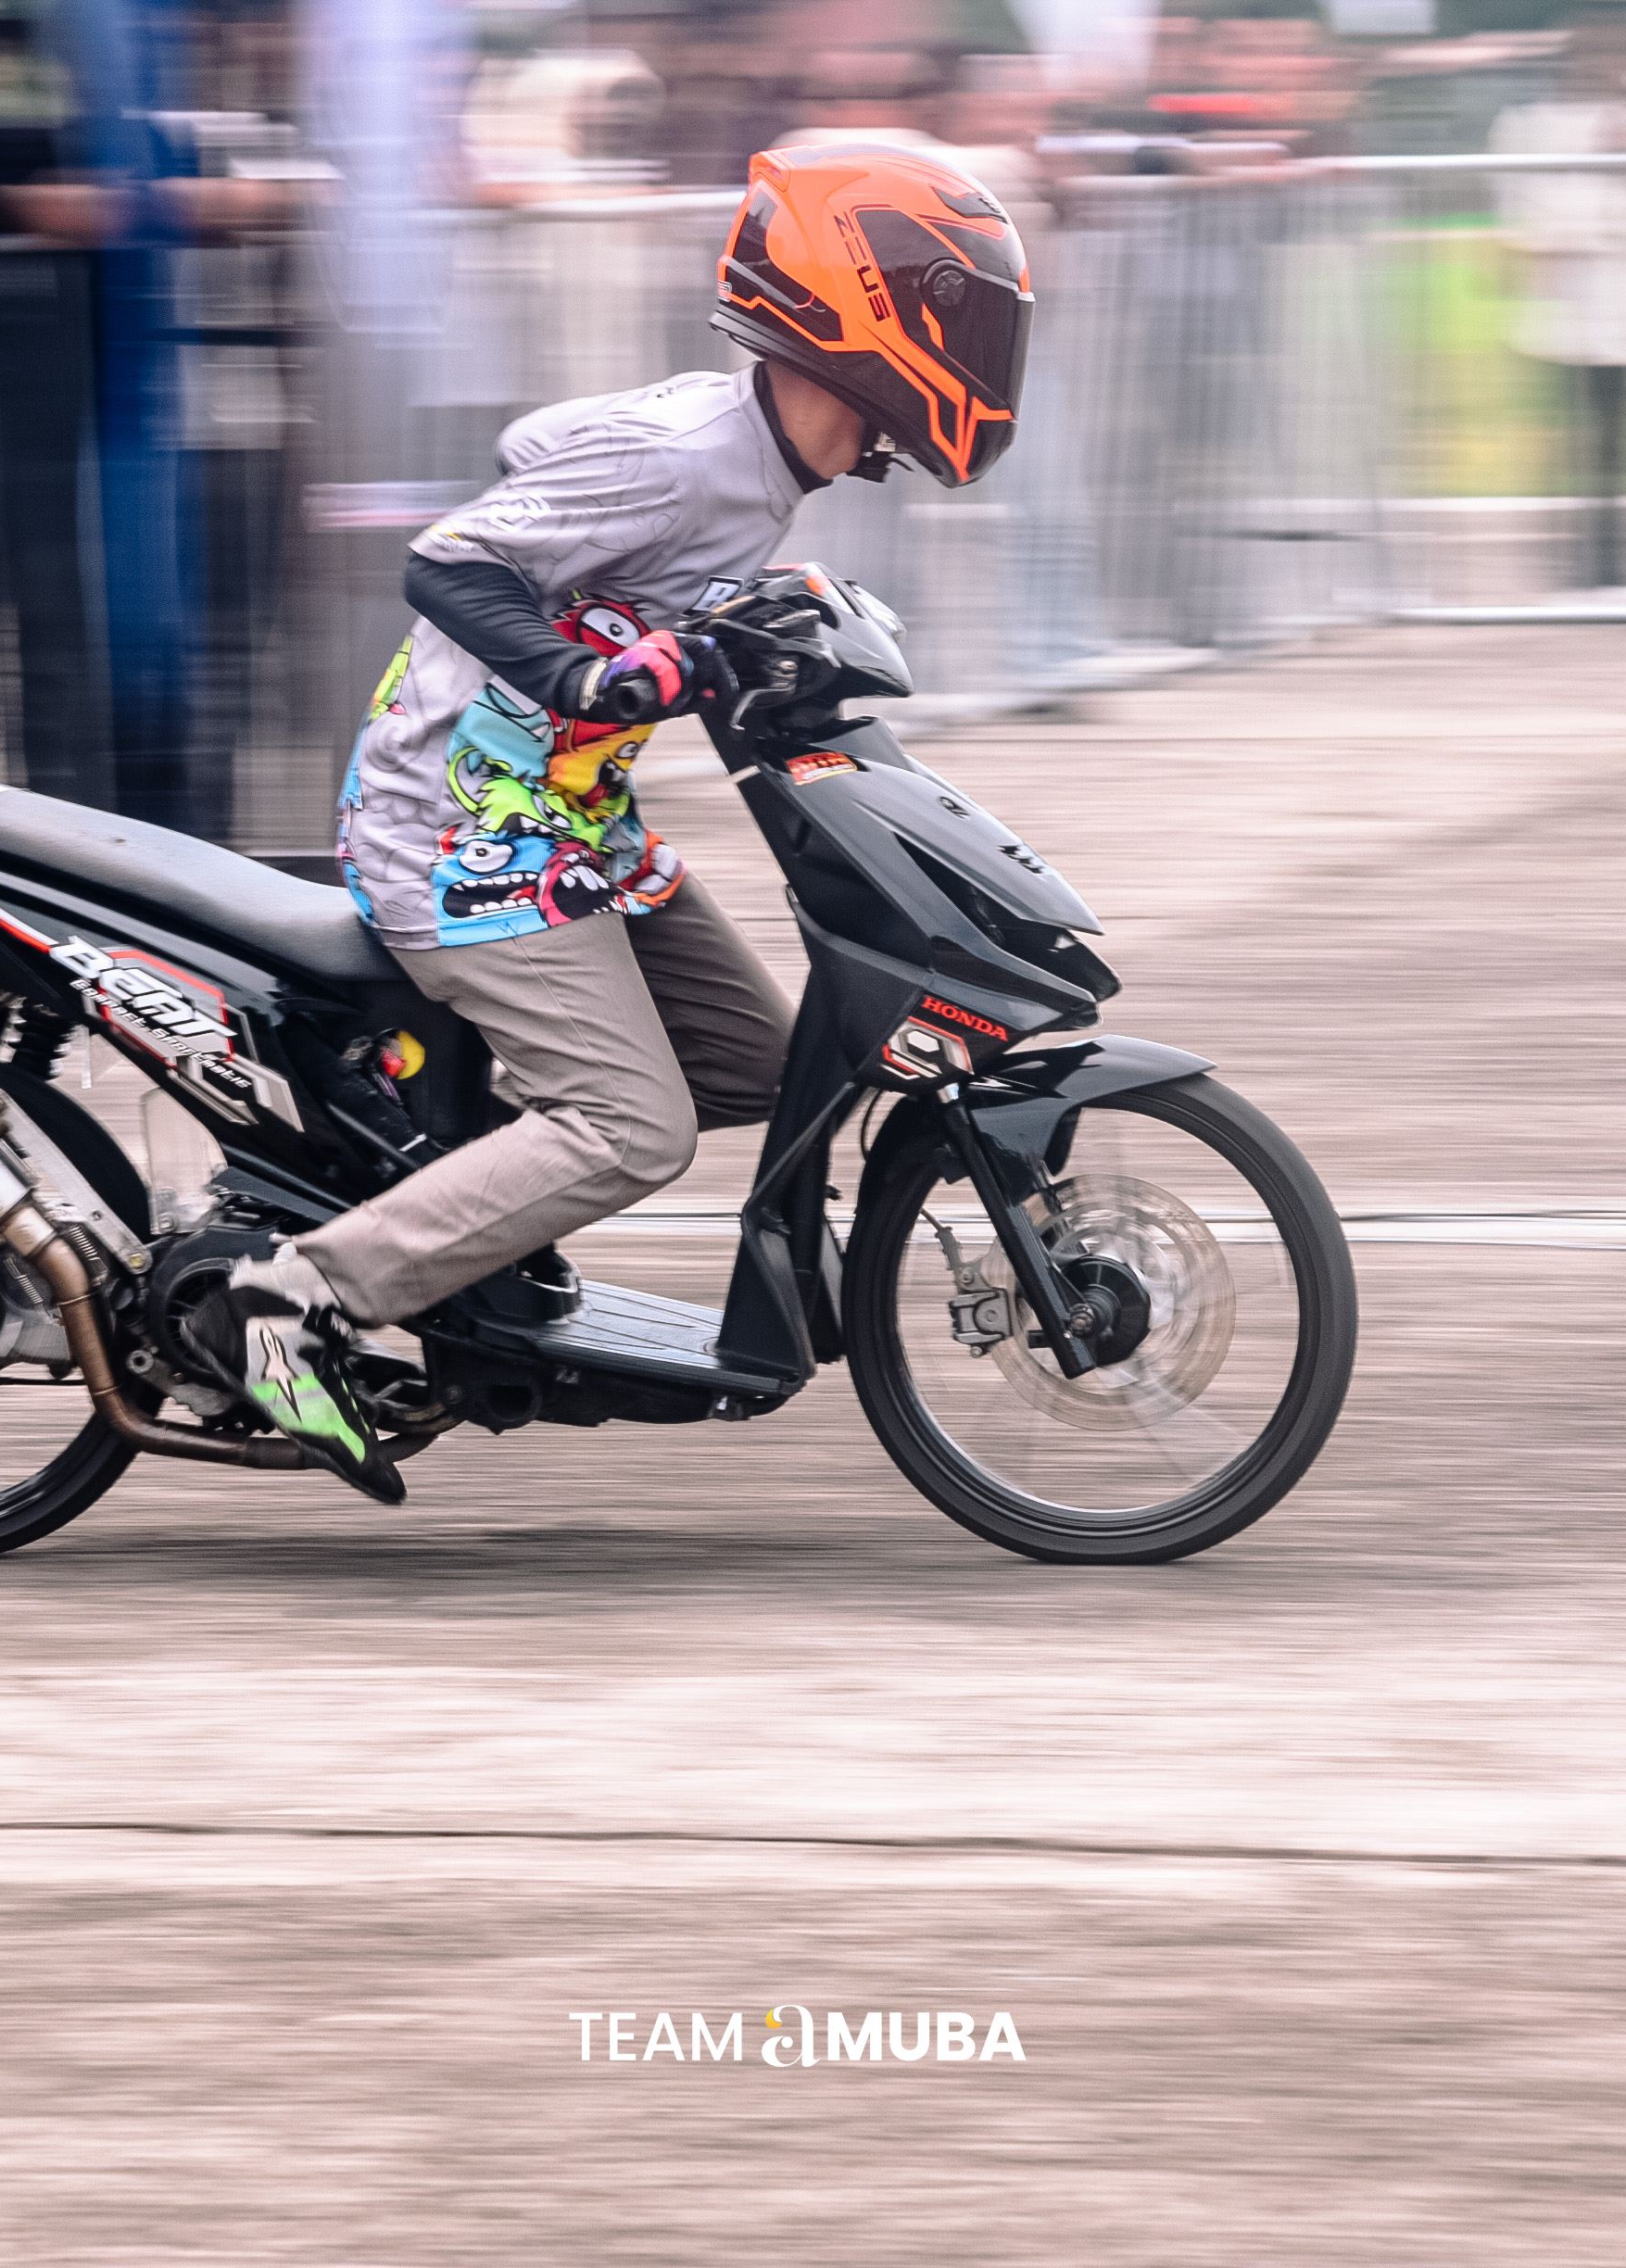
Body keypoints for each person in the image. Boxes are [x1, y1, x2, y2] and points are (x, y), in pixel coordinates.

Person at [206, 142, 1034, 1502]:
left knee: (774, 1068)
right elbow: (451, 558)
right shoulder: (689, 459)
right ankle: (290, 1303)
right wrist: (583, 677)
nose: (983, 354)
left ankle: (459, 1205)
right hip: (464, 836)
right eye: (967, 320)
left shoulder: (759, 461)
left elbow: (552, 465)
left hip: (579, 828)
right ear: (867, 312)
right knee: (632, 1128)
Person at [1497, 27, 1626, 592]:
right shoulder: (1535, 126)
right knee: (1576, 441)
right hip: (1574, 312)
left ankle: (1621, 560)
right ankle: (1580, 560)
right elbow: (1539, 214)